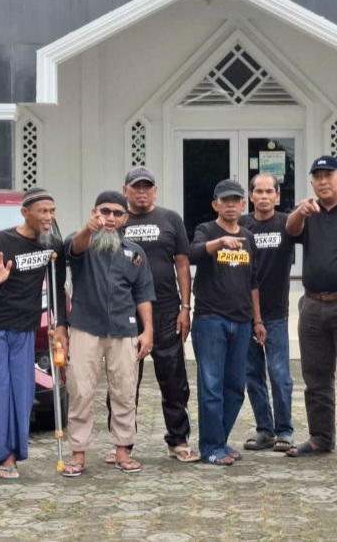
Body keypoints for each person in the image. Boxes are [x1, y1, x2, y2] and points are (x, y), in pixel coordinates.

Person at [57, 191, 155, 478]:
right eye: (104, 212)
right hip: (85, 327)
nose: (110, 218)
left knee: (125, 390)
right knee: (80, 390)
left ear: (125, 218)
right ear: (94, 213)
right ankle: (78, 453)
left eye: (116, 213)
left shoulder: (135, 253)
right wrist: (89, 228)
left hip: (124, 329)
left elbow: (143, 293)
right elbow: (74, 247)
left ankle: (123, 450)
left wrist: (148, 331)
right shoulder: (83, 242)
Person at [284, 155, 337, 465]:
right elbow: (290, 231)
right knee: (315, 377)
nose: (322, 181)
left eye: (328, 175)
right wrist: (299, 211)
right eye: (317, 177)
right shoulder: (309, 212)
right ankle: (320, 436)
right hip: (312, 305)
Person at [0, 187, 64, 480]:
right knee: (0, 390)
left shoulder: (51, 244)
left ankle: (16, 451)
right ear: (25, 213)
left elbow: (58, 286)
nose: (49, 217)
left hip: (26, 327)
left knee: (23, 392)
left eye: (52, 211)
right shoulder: (0, 240)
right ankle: (4, 456)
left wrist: (59, 324)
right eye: (43, 211)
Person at [120, 166, 198, 463]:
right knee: (124, 380)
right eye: (136, 187)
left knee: (173, 379)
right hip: (126, 312)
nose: (142, 192)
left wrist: (185, 307)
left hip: (166, 310)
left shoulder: (170, 219)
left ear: (155, 191)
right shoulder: (118, 219)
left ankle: (178, 439)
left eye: (147, 187)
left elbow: (182, 264)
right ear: (125, 190)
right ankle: (123, 443)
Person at [189, 179, 266, 466]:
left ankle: (219, 440)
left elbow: (253, 281)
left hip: (242, 322)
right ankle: (210, 447)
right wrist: (220, 242)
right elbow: (193, 253)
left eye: (236, 201)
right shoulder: (206, 230)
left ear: (244, 204)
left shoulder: (248, 236)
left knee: (235, 388)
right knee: (211, 386)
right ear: (215, 205)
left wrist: (258, 320)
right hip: (211, 319)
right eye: (225, 201)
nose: (231, 205)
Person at [240, 173, 295, 454]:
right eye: (258, 192)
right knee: (252, 374)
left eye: (268, 192)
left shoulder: (287, 223)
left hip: (276, 312)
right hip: (244, 313)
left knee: (279, 373)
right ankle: (265, 429)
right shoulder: (240, 225)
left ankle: (284, 429)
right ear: (250, 196)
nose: (263, 196)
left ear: (277, 196)